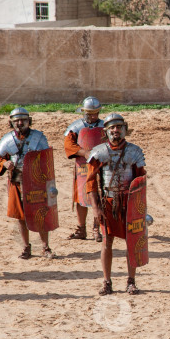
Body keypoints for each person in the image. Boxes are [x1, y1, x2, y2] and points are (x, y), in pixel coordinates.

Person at [86, 113, 146, 295]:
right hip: (108, 202)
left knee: (132, 242)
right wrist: (96, 209)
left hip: (129, 203)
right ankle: (107, 281)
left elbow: (140, 181)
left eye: (119, 127)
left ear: (124, 129)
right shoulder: (98, 152)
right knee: (106, 242)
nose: (115, 130)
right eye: (112, 127)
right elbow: (90, 183)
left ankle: (131, 281)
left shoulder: (134, 152)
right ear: (106, 131)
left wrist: (139, 208)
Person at [0, 107, 55, 259]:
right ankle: (26, 248)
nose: (20, 123)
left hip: (36, 182)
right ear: (12, 123)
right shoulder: (7, 139)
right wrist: (4, 163)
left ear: (29, 121)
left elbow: (46, 159)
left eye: (23, 120)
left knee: (40, 214)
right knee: (21, 217)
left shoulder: (39, 138)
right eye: (16, 121)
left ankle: (45, 247)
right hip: (16, 182)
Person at [63, 96, 104, 242]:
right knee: (81, 198)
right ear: (84, 112)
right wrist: (84, 152)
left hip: (100, 167)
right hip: (82, 167)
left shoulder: (104, 127)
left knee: (98, 197)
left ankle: (96, 229)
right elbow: (69, 145)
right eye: (90, 113)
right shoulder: (76, 127)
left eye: (95, 113)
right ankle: (81, 229)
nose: (93, 116)